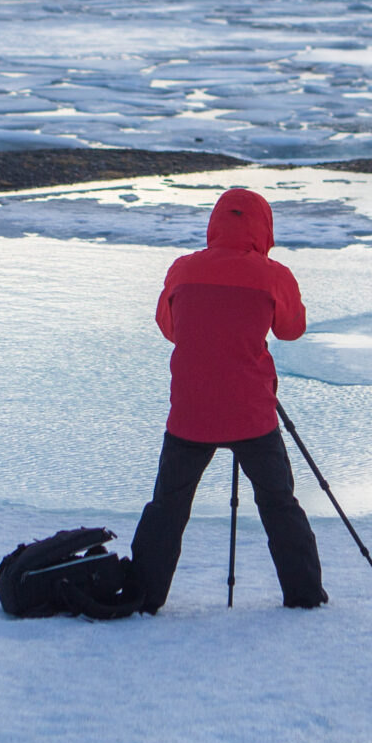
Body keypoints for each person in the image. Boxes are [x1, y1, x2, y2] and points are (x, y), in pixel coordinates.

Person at [129, 186, 328, 612]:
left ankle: (143, 595)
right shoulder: (274, 275)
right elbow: (292, 330)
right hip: (252, 411)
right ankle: (305, 596)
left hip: (190, 411)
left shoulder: (182, 270)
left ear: (215, 224)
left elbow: (170, 328)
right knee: (278, 504)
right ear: (264, 227)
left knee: (168, 505)